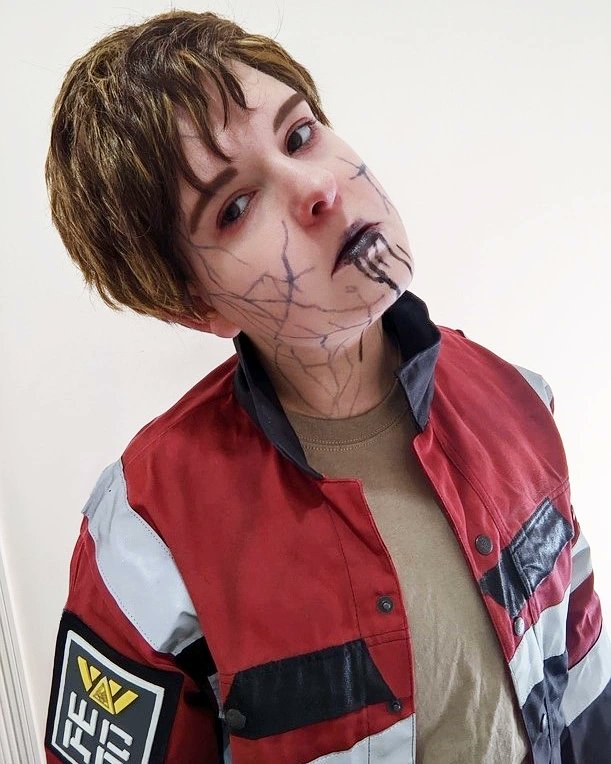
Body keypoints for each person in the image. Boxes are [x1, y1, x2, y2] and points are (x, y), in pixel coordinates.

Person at [43, 9, 609, 764]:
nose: (316, 188)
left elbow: (583, 693)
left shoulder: (518, 400)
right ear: (195, 307)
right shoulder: (146, 530)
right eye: (235, 207)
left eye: (300, 134)